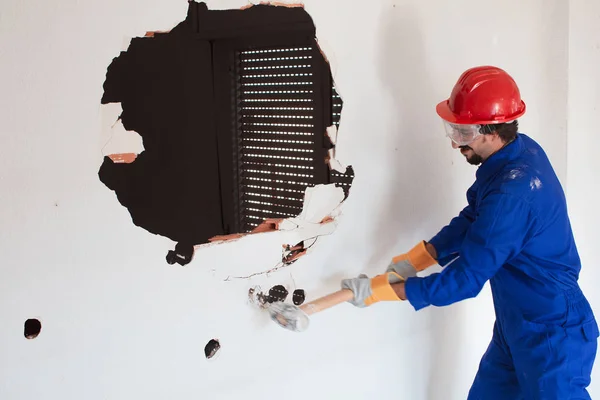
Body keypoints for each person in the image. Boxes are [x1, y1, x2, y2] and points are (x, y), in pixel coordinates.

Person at [341, 66, 599, 398]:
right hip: (516, 326)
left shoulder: (513, 192)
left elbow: (463, 281)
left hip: (552, 334)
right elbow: (474, 221)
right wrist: (412, 261)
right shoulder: (516, 153)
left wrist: (382, 291)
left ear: (492, 131)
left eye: (463, 134)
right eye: (452, 130)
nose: (454, 144)